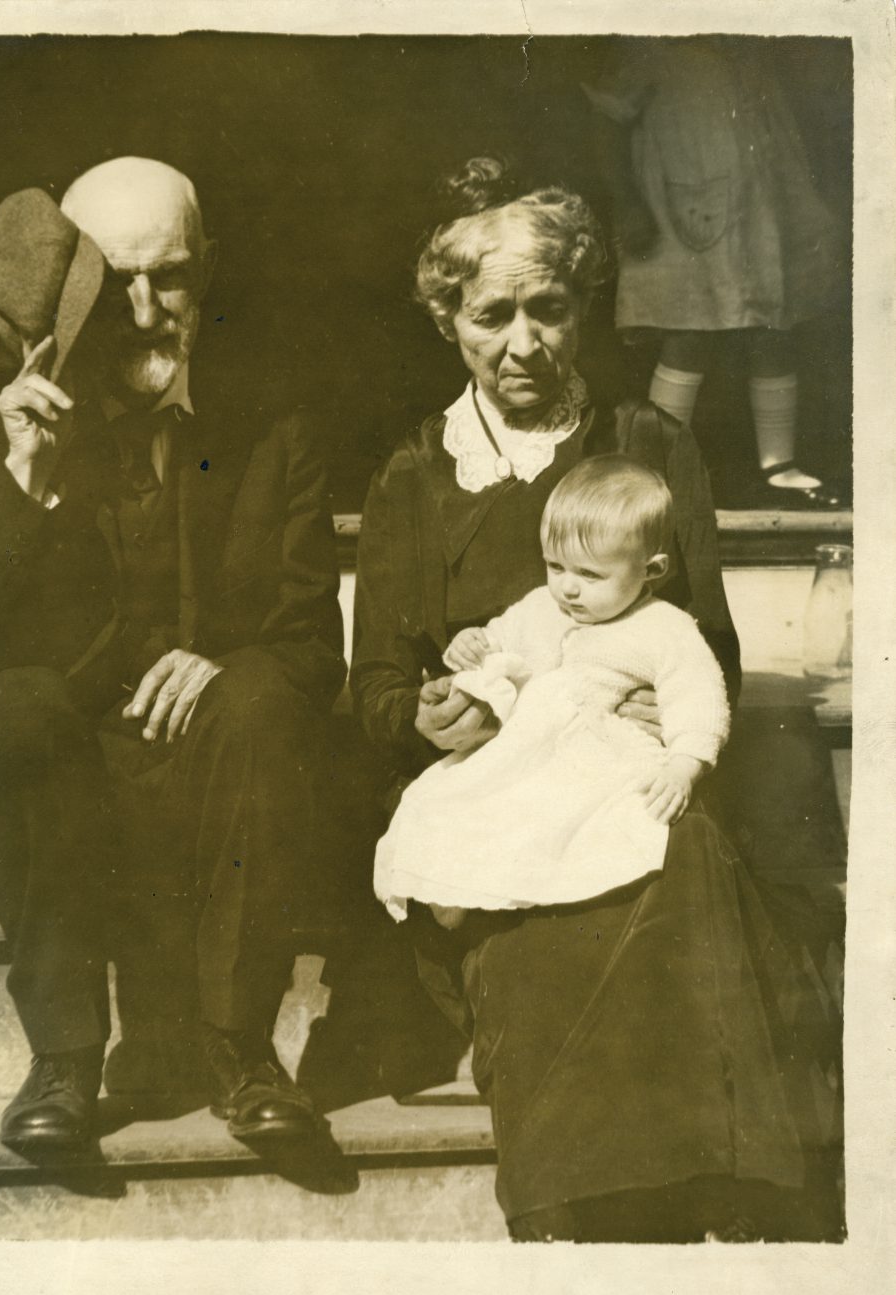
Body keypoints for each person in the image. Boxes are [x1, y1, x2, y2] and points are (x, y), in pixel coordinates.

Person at [350, 157, 841, 1241]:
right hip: (491, 808)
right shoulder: (415, 473)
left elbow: (705, 644)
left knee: (683, 852)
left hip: (628, 776)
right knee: (550, 946)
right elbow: (374, 687)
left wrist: (652, 715)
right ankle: (594, 1226)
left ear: (583, 310)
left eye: (550, 310)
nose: (524, 342)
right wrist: (425, 711)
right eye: (493, 315)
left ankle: (711, 1213)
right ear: (449, 321)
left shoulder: (647, 442)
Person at [0, 159, 346, 1152]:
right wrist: (26, 476)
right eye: (115, 281)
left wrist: (221, 663)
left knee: (264, 695)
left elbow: (314, 644)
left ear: (206, 271)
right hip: (64, 778)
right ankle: (63, 1058)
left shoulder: (275, 426)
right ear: (70, 288)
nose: (143, 312)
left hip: (210, 774)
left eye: (168, 276)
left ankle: (241, 1049)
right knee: (16, 702)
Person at [374, 456, 729, 929]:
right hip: (524, 747)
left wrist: (684, 766)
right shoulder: (541, 606)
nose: (568, 589)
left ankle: (509, 892)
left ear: (652, 569)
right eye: (555, 566)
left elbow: (700, 698)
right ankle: (449, 884)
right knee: (446, 794)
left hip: (598, 759)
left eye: (590, 575)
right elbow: (499, 640)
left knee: (560, 820)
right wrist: (471, 646)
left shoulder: (665, 628)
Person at [585, 37, 845, 507]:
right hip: (685, 213)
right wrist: (627, 201)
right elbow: (606, 118)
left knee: (773, 328)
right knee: (689, 333)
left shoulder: (752, 46)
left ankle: (778, 464)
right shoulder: (654, 45)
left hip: (763, 211)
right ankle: (656, 466)